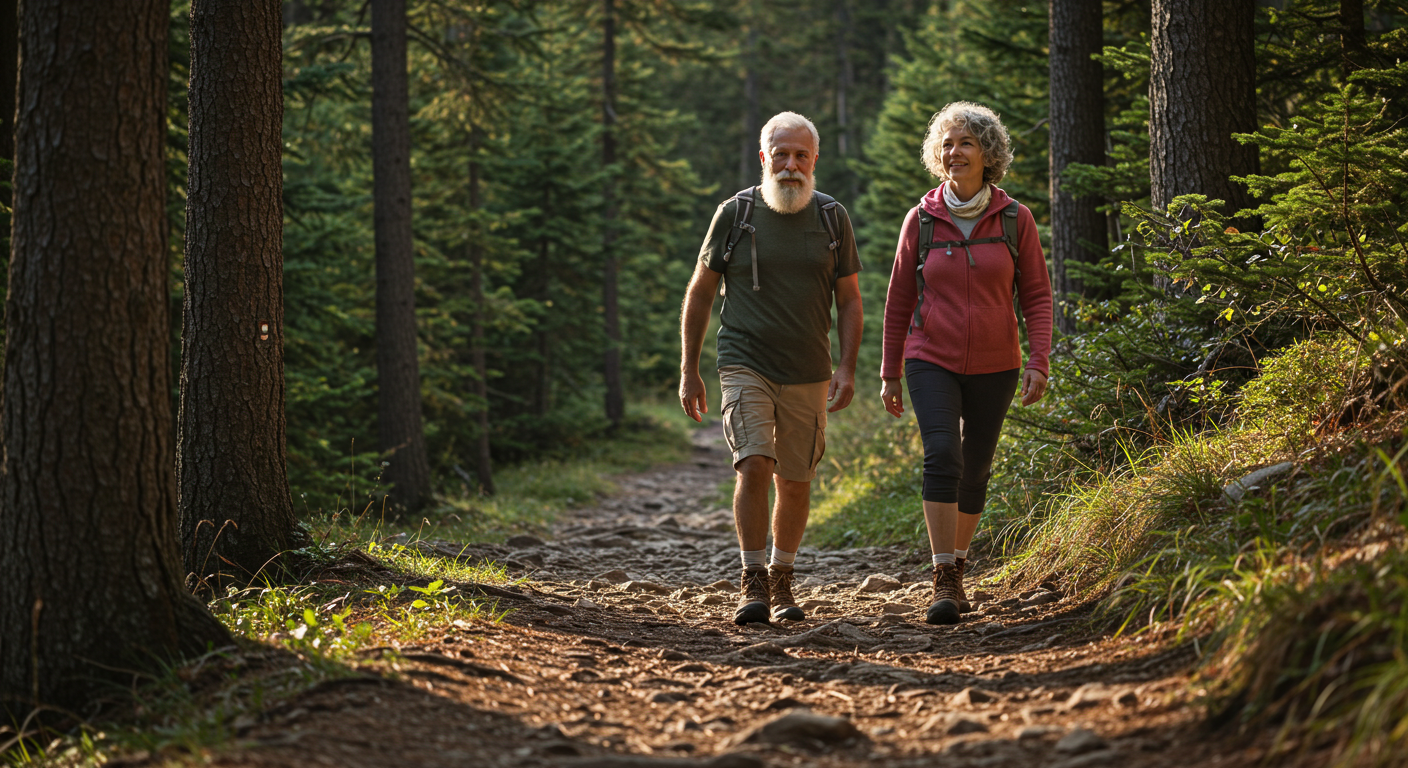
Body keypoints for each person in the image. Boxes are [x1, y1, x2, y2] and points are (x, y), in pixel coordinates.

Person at [679, 111, 863, 626]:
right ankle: (753, 579)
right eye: (780, 154)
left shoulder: (831, 218)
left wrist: (847, 368)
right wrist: (688, 370)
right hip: (744, 362)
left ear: (814, 160)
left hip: (809, 368)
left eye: (800, 155)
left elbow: (850, 300)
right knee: (754, 463)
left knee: (796, 480)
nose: (790, 164)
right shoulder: (735, 214)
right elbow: (700, 292)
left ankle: (783, 577)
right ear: (764, 158)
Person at [879, 102, 1052, 625]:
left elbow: (1037, 296)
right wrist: (890, 371)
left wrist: (1038, 361)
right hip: (929, 356)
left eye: (966, 143)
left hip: (997, 361)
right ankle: (944, 576)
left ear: (988, 154)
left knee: (975, 469)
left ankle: (959, 559)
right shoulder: (922, 219)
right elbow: (899, 298)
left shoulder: (1016, 219)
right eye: (947, 144)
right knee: (941, 455)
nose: (954, 153)